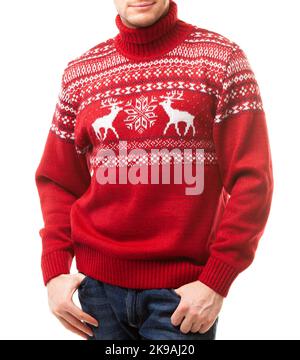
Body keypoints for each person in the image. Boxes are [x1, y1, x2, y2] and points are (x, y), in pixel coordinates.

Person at [35, 0, 273, 340]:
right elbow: (58, 180)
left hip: (181, 300)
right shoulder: (81, 73)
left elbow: (254, 180)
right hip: (97, 297)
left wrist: (216, 281)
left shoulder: (221, 60)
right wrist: (55, 270)